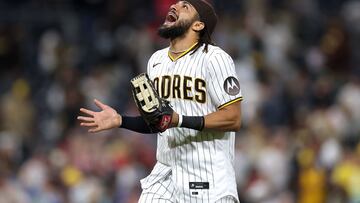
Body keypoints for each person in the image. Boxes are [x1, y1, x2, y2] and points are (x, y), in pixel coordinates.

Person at [77, 0, 243, 202]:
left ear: (198, 25)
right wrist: (121, 120)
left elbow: (233, 118)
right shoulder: (156, 61)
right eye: (177, 2)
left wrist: (178, 120)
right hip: (166, 173)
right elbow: (160, 121)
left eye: (185, 6)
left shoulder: (215, 58)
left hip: (207, 172)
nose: (175, 5)